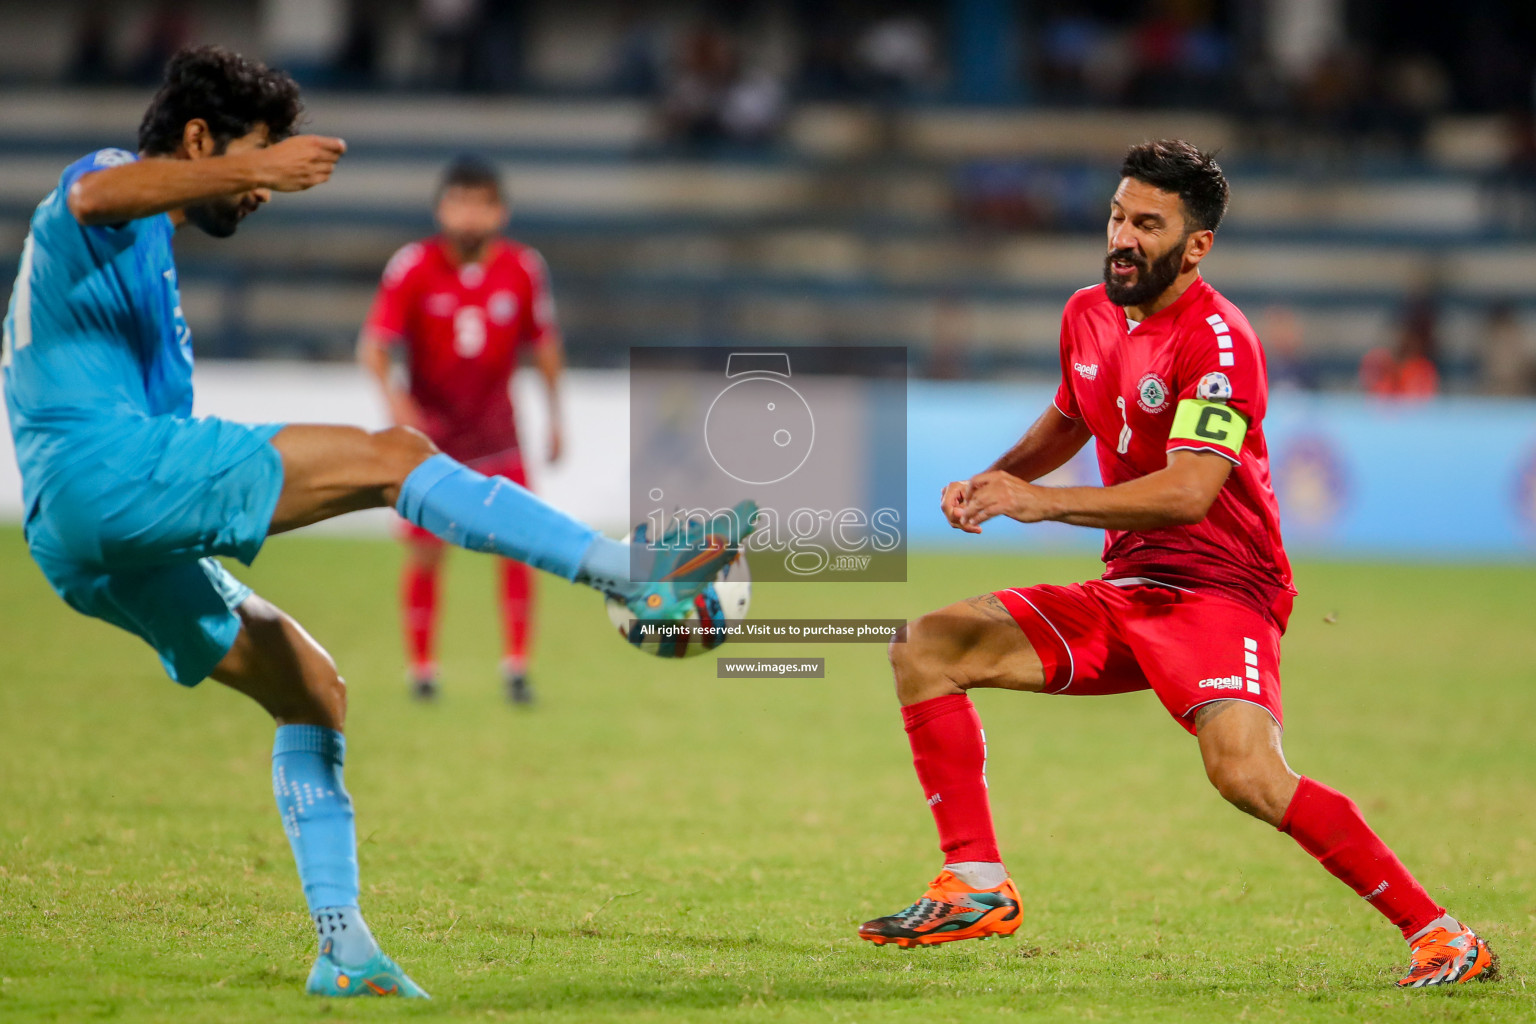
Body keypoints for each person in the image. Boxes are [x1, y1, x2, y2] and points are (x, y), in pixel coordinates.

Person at [1, 46, 748, 999]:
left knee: (312, 690)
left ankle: (344, 948)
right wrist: (253, 165)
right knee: (396, 457)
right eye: (257, 155)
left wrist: (241, 168)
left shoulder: (149, 257)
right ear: (200, 141)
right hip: (107, 474)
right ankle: (629, 571)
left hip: (78, 532)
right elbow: (94, 198)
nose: (267, 186)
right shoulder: (107, 183)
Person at [858, 140, 1497, 990]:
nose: (1122, 237)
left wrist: (1040, 504)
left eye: (1148, 225)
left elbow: (1192, 492)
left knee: (1246, 774)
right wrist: (1001, 476)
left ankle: (1444, 936)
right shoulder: (1086, 310)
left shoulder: (1222, 346)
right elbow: (1073, 413)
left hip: (1220, 592)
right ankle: (976, 883)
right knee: (928, 647)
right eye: (1118, 216)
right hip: (1129, 587)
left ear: (1196, 246)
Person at [359, 157, 563, 704]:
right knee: (426, 551)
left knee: (522, 547)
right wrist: (398, 406)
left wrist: (557, 417)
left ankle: (517, 666)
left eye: (482, 203)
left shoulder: (522, 268)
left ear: (500, 211)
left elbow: (543, 344)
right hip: (434, 444)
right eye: (460, 202)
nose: (470, 215)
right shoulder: (413, 266)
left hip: (500, 435)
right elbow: (374, 346)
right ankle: (422, 670)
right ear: (442, 208)